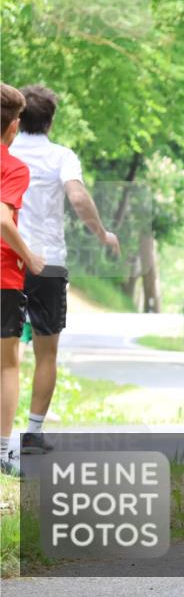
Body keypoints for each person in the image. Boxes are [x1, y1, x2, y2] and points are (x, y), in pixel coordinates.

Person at [10, 85, 120, 454]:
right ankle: (33, 433)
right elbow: (76, 196)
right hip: (49, 263)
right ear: (50, 121)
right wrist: (102, 233)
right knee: (46, 352)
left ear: (18, 117)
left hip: (6, 256)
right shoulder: (61, 156)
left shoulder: (4, 151)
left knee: (4, 353)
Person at [1, 84, 45, 475]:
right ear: (13, 127)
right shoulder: (12, 166)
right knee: (7, 364)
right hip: (3, 277)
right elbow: (2, 219)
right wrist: (28, 256)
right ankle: (1, 452)